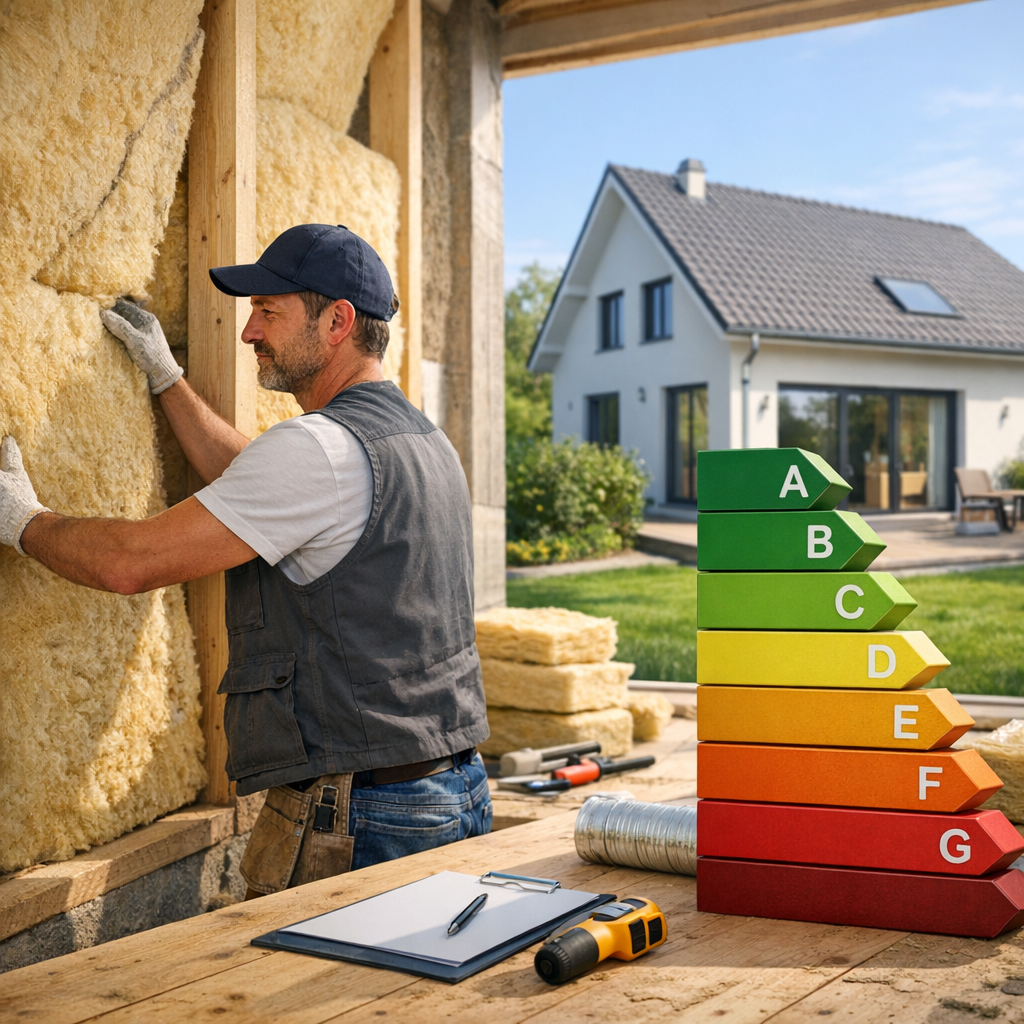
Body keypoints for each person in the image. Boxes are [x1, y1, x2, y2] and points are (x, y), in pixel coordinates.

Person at [0, 223, 492, 896]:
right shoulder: (422, 439)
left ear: (338, 322)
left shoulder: (319, 449)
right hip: (449, 790)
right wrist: (168, 380)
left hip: (364, 818)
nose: (248, 331)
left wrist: (25, 521)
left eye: (269, 311)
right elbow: (261, 488)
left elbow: (130, 563)